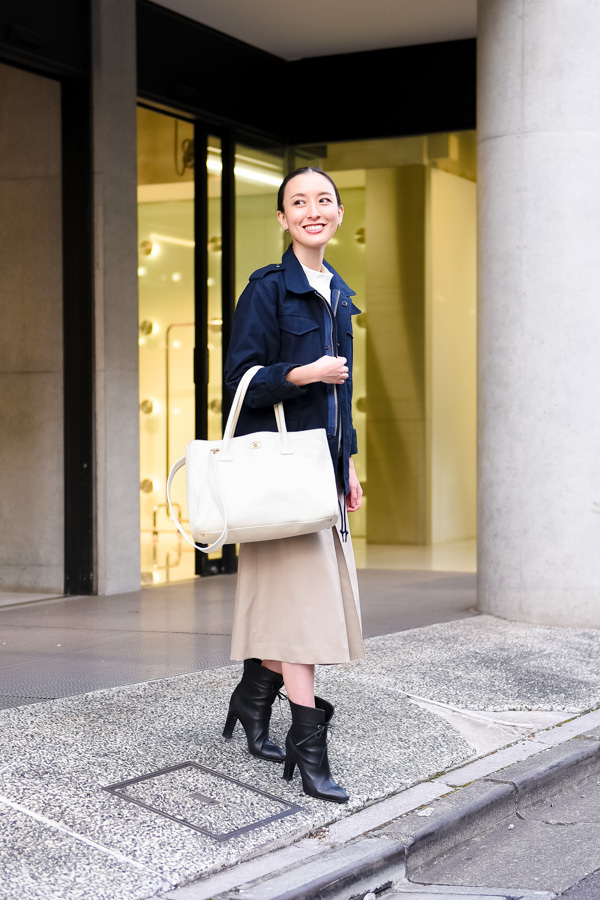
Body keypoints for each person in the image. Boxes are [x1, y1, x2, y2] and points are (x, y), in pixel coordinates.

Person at [222, 167, 364, 803]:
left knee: (302, 609)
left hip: (322, 475)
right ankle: (309, 749)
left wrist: (350, 464)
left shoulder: (340, 295)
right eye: (298, 202)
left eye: (323, 200)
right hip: (282, 476)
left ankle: (254, 698)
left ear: (337, 215)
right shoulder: (266, 290)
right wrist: (302, 373)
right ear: (282, 219)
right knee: (306, 618)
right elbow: (240, 383)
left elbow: (345, 397)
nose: (313, 210)